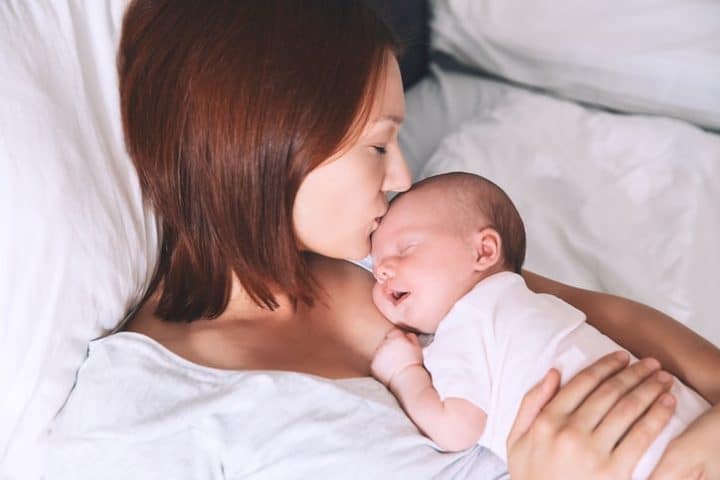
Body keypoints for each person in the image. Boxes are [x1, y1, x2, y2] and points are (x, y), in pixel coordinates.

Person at [45, 1, 720, 479]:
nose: (400, 177)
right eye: (377, 145)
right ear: (266, 149)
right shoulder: (143, 419)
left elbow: (602, 317)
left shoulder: (383, 262)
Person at [368, 172, 710, 478]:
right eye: (378, 266)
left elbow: (456, 427)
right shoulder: (532, 299)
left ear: (484, 251)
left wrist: (404, 373)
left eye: (406, 248)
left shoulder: (463, 325)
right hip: (689, 423)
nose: (382, 270)